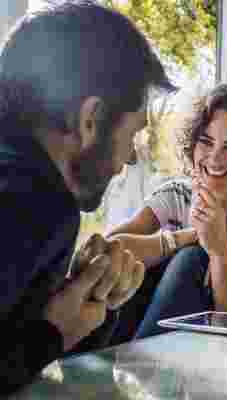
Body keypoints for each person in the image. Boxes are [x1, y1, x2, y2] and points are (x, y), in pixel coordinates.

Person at [0, 1, 175, 394]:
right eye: (132, 134)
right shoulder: (37, 201)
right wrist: (53, 333)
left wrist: (82, 309)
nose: (130, 156)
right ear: (90, 120)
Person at [107, 83, 227, 340]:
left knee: (193, 259)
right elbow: (108, 252)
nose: (214, 158)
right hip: (131, 331)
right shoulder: (177, 195)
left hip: (208, 352)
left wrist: (218, 251)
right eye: (206, 142)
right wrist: (187, 236)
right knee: (154, 259)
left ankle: (137, 364)